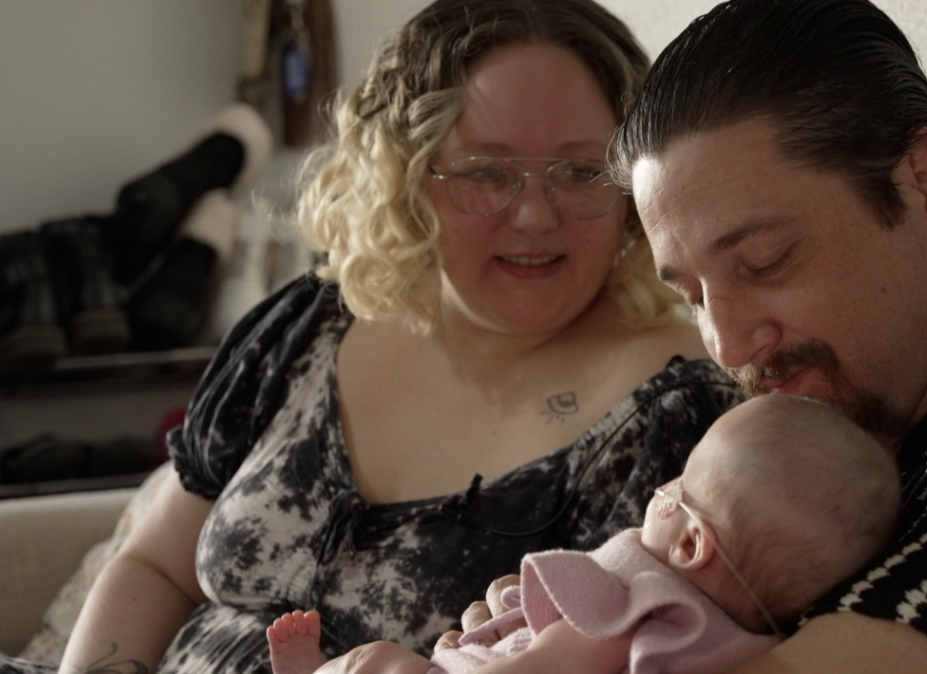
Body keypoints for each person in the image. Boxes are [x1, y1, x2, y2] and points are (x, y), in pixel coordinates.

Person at [0, 3, 745, 674]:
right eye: (487, 172)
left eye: (580, 172)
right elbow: (154, 567)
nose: (534, 216)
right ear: (411, 174)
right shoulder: (314, 321)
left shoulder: (671, 416)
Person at [458, 0, 927, 672]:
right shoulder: (798, 461)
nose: (727, 343)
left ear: (925, 186)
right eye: (690, 296)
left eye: (765, 261)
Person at [266, 395, 901, 674]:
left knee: (379, 660)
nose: (661, 491)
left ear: (691, 546)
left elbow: (550, 665)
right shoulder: (746, 640)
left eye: (677, 489)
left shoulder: (635, 596)